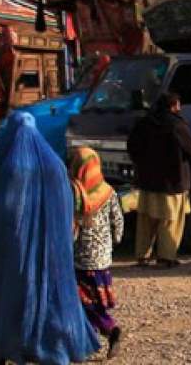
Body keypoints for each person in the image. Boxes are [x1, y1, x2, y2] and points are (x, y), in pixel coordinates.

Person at [0, 112, 99, 365]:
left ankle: (5, 346)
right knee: (52, 292)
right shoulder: (53, 162)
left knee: (10, 292)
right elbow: (65, 207)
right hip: (54, 248)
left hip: (14, 249)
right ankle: (57, 345)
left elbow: (0, 212)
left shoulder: (8, 165)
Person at [128, 92, 191, 268]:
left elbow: (132, 147)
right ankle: (166, 257)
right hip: (172, 182)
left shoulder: (144, 123)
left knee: (146, 220)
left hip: (147, 181)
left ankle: (142, 256)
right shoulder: (177, 125)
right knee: (170, 221)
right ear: (174, 106)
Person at [69, 147, 124, 360]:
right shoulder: (108, 191)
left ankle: (110, 330)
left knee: (84, 301)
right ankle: (88, 340)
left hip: (82, 259)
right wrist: (113, 242)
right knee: (91, 301)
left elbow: (71, 227)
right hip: (102, 258)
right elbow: (117, 220)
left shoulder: (75, 192)